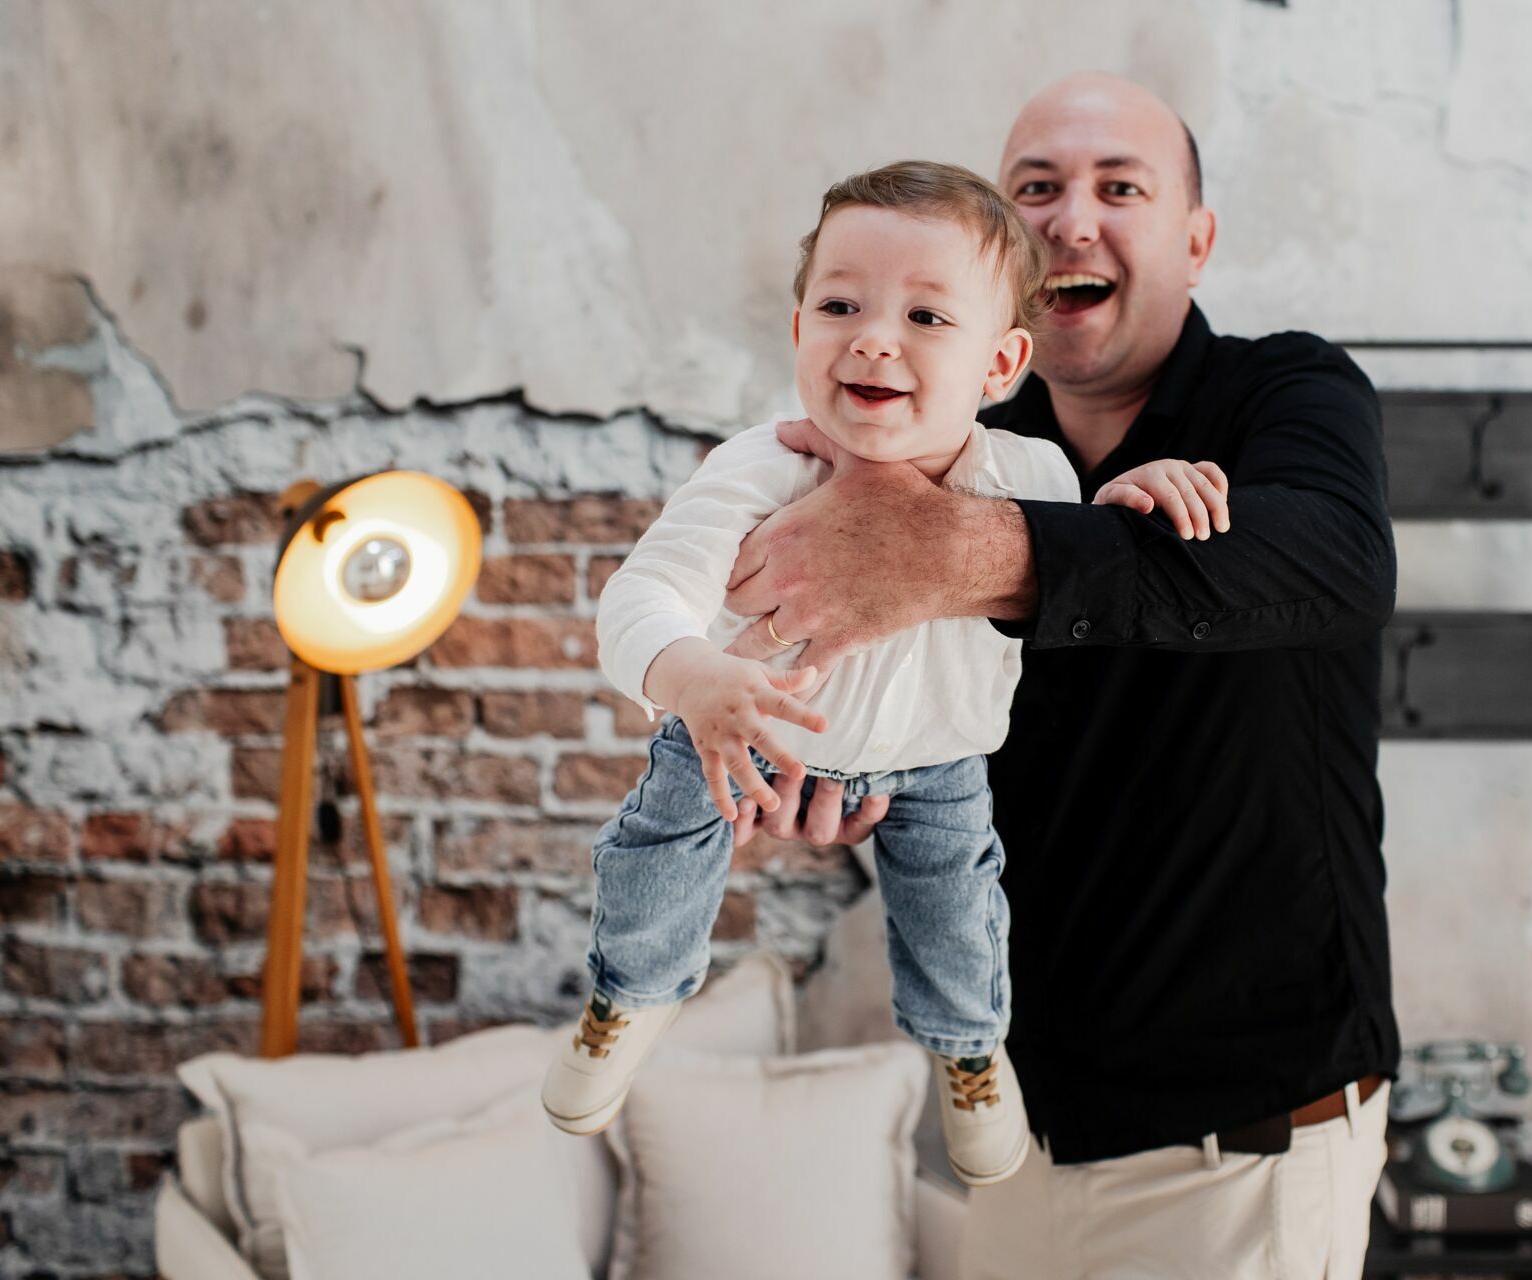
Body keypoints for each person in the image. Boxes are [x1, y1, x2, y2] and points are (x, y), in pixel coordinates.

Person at [726, 74, 1399, 1279]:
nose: (1070, 219)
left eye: (1119, 188)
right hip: (1022, 1126)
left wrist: (959, 555)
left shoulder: (1285, 392)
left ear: (1196, 241)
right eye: (1035, 188)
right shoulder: (958, 444)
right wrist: (832, 770)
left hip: (1242, 1149)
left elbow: (1336, 565)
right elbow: (919, 716)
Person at [538, 159, 1231, 1189]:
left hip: (939, 762)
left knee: (958, 914)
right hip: (743, 724)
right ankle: (628, 997)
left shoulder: (1032, 475)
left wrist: (1135, 497)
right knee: (658, 849)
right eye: (840, 306)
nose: (872, 338)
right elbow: (642, 597)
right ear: (797, 330)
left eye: (925, 316)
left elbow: (1085, 565)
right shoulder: (761, 468)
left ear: (1002, 364)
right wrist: (691, 678)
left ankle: (968, 1052)